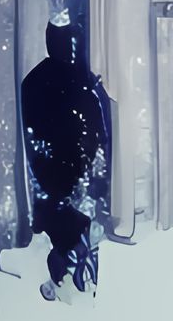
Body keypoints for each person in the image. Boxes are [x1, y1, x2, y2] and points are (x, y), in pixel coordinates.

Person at [20, 21, 109, 299]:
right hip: (70, 179)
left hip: (45, 180)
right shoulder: (81, 83)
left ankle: (64, 280)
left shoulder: (32, 81)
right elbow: (99, 132)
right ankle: (74, 280)